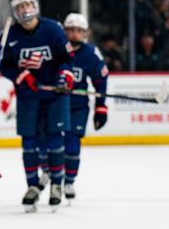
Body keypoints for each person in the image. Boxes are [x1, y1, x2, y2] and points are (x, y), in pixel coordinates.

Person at [0, 0, 74, 213]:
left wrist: (64, 76)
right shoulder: (9, 34)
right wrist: (22, 76)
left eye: (28, 4)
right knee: (29, 142)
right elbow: (3, 65)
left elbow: (66, 59)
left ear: (36, 5)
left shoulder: (53, 29)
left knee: (54, 139)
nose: (25, 9)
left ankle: (56, 186)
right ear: (15, 10)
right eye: (20, 6)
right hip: (28, 96)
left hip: (55, 95)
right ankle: (32, 186)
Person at [60, 13, 109, 200]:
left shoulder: (91, 53)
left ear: (85, 33)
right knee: (51, 143)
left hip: (78, 106)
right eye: (70, 30)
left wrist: (101, 107)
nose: (74, 34)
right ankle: (51, 175)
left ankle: (69, 182)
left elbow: (100, 81)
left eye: (78, 31)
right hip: (55, 103)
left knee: (72, 144)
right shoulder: (58, 49)